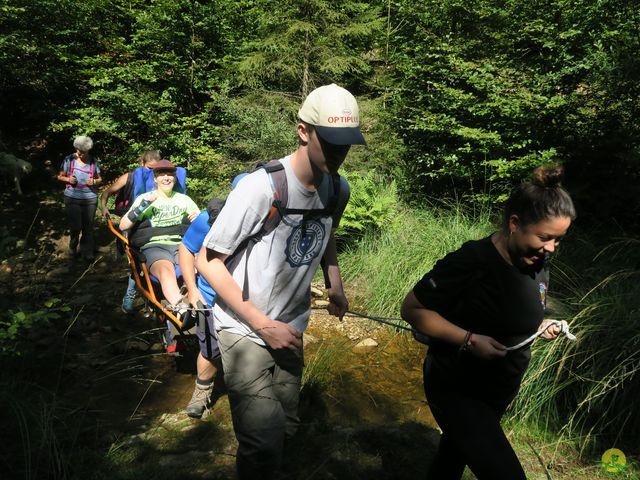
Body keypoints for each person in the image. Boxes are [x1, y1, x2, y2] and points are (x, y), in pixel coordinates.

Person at [195, 84, 366, 479]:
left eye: (347, 143)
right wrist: (262, 324)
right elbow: (208, 261)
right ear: (303, 131)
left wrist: (334, 282)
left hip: (291, 324)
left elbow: (326, 235)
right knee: (262, 438)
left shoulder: (338, 188)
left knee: (287, 420)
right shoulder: (261, 187)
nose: (341, 152)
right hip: (243, 327)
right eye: (332, 141)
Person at [400, 165, 576, 480]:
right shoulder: (473, 261)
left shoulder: (537, 262)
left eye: (558, 240)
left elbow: (517, 314)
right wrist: (468, 339)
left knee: (452, 457)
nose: (551, 248)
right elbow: (413, 309)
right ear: (515, 224)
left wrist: (539, 326)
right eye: (545, 237)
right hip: (456, 387)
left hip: (498, 391)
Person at [119, 159, 200, 311]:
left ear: (175, 178)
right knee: (165, 270)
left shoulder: (184, 199)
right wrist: (144, 205)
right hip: (154, 246)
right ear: (155, 178)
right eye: (161, 174)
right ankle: (181, 309)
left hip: (181, 245)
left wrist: (198, 219)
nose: (166, 177)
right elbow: (123, 225)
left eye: (170, 174)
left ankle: (197, 303)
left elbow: (202, 225)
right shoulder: (145, 198)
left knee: (197, 265)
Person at [178, 198, 227, 418]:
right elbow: (187, 248)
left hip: (250, 301)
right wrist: (192, 289)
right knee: (210, 350)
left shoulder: (272, 218)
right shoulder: (209, 218)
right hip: (210, 299)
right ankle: (202, 391)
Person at [100, 150, 161, 313]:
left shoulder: (162, 177)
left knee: (150, 261)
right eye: (149, 168)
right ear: (142, 163)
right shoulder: (129, 176)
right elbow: (106, 192)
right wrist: (104, 208)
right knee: (136, 261)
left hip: (154, 224)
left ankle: (151, 299)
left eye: (155, 169)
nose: (152, 172)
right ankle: (129, 298)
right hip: (131, 223)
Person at [57, 135, 102, 261]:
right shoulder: (69, 160)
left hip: (90, 198)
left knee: (88, 227)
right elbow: (60, 176)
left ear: (88, 150)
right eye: (77, 150)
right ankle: (72, 247)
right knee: (76, 226)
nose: (79, 153)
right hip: (72, 197)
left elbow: (100, 178)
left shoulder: (93, 161)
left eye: (82, 152)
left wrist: (94, 181)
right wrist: (68, 179)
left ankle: (86, 251)